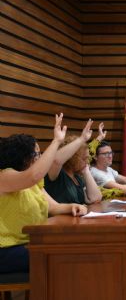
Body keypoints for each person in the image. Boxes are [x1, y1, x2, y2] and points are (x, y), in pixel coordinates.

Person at [0, 114, 88, 274]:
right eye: (37, 154)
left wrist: (72, 206)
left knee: (73, 246)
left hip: (30, 243)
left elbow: (53, 207)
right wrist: (56, 141)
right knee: (59, 255)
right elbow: (34, 175)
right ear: (23, 157)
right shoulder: (4, 176)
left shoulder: (33, 183)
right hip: (6, 249)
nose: (40, 159)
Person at [44, 119, 102, 204]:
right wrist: (81, 139)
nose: (87, 162)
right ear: (71, 157)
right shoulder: (57, 174)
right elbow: (56, 160)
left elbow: (95, 198)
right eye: (83, 158)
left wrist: (86, 171)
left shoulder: (77, 177)